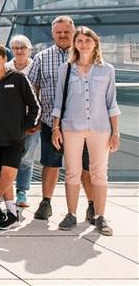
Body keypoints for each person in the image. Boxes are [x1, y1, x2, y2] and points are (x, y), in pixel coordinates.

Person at [52, 27, 120, 236]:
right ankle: (71, 214)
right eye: (79, 41)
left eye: (87, 40)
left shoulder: (107, 69)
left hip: (100, 129)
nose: (83, 44)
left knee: (99, 173)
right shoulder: (66, 68)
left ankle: (100, 217)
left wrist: (115, 132)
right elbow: (59, 101)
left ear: (95, 43)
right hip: (71, 127)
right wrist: (55, 128)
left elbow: (111, 103)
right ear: (75, 44)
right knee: (72, 172)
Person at [28, 16, 93, 223]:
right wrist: (35, 118)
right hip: (49, 121)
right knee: (51, 164)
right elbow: (32, 88)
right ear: (53, 33)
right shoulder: (41, 57)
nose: (63, 35)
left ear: (73, 32)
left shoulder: (86, 57)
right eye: (59, 32)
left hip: (81, 124)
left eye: (67, 32)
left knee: (85, 167)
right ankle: (46, 203)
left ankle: (92, 206)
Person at [0, 42, 40, 229]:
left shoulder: (19, 78)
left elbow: (35, 106)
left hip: (14, 138)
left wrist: (24, 127)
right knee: (0, 178)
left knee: (7, 176)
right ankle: (12, 214)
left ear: (5, 59)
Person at [0, 35, 40, 209]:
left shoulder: (37, 67)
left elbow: (40, 97)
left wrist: (32, 123)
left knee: (26, 158)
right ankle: (0, 192)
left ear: (29, 49)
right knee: (3, 160)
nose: (19, 51)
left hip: (30, 122)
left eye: (23, 47)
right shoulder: (5, 67)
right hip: (8, 125)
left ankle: (21, 192)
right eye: (16, 48)